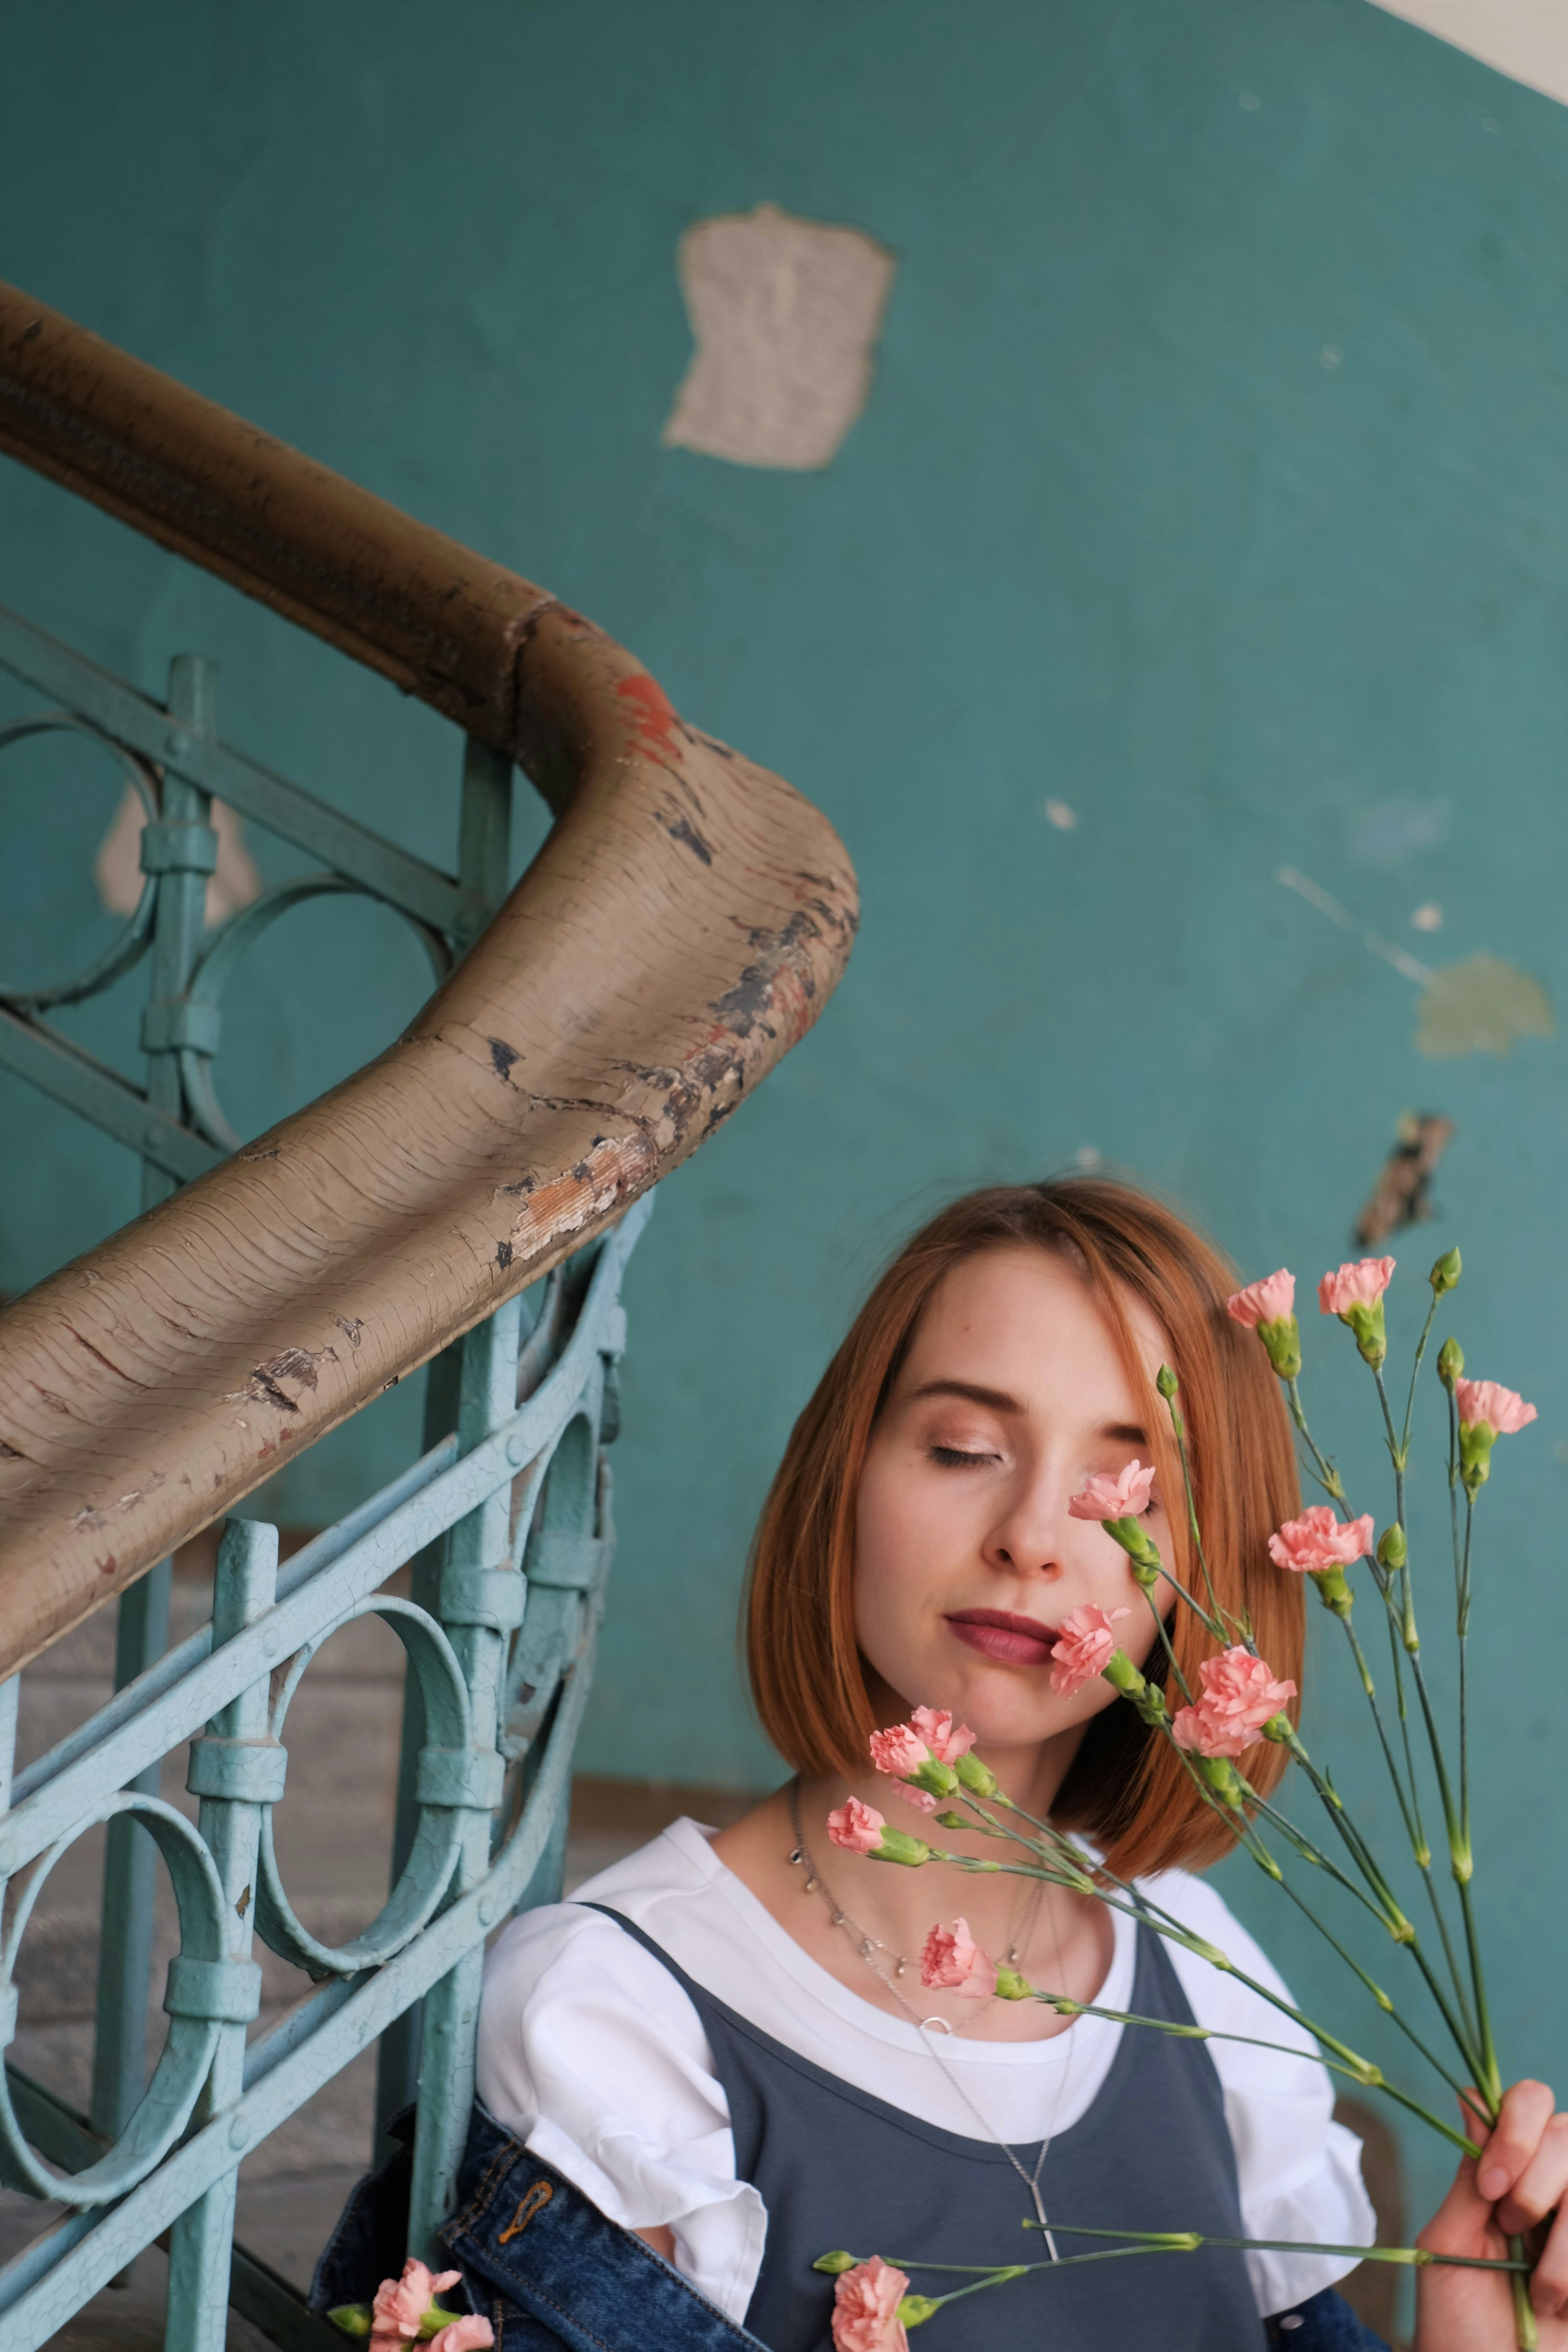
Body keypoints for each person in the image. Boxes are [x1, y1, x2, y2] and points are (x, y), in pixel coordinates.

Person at [475, 1179, 1568, 2351]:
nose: (1034, 1537)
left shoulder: (1204, 1988)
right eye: (964, 1449)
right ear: (843, 1478)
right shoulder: (620, 2019)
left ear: (1198, 1571)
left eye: (1128, 1493)